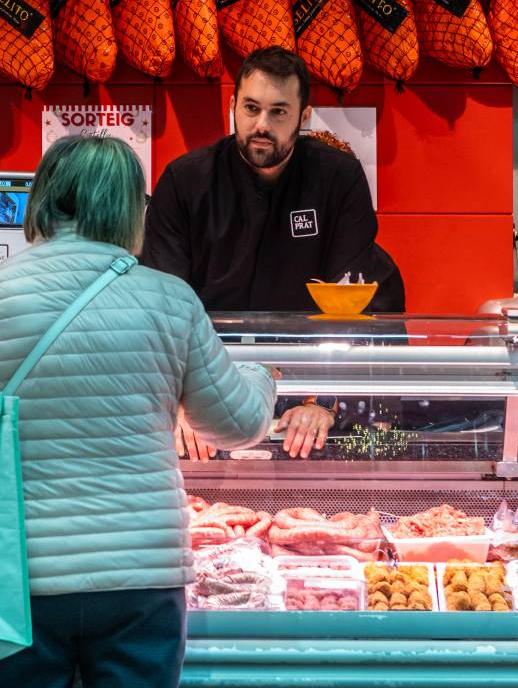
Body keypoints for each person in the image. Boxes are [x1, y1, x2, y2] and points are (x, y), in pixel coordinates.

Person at [0, 135, 276, 688]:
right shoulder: (170, 298)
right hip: (142, 580)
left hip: (18, 579)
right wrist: (263, 379)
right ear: (132, 209)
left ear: (44, 200)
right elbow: (237, 424)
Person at [143, 46, 405, 459]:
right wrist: (179, 400)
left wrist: (320, 399)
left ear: (303, 116)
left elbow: (347, 303)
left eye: (279, 112)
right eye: (251, 108)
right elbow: (164, 308)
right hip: (203, 382)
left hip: (305, 388)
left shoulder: (338, 178)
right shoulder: (185, 181)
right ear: (233, 106)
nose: (261, 125)